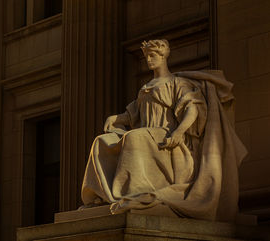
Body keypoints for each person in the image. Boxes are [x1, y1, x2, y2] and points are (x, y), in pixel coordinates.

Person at [80, 39, 247, 221]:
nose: (149, 60)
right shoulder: (145, 88)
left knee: (134, 138)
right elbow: (133, 114)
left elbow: (193, 108)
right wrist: (116, 118)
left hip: (168, 138)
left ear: (163, 56)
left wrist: (179, 131)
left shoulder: (178, 83)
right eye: (146, 57)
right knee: (101, 141)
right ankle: (103, 195)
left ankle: (136, 192)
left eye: (153, 56)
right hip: (149, 137)